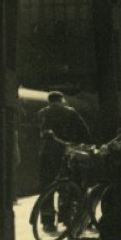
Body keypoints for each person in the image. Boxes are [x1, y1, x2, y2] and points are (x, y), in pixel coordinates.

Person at [37, 90, 91, 229]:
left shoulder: (42, 112)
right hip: (66, 153)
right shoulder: (71, 112)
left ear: (49, 101)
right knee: (67, 185)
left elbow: (39, 133)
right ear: (62, 100)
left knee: (47, 187)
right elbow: (85, 132)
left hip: (47, 155)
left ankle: (48, 222)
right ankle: (66, 217)